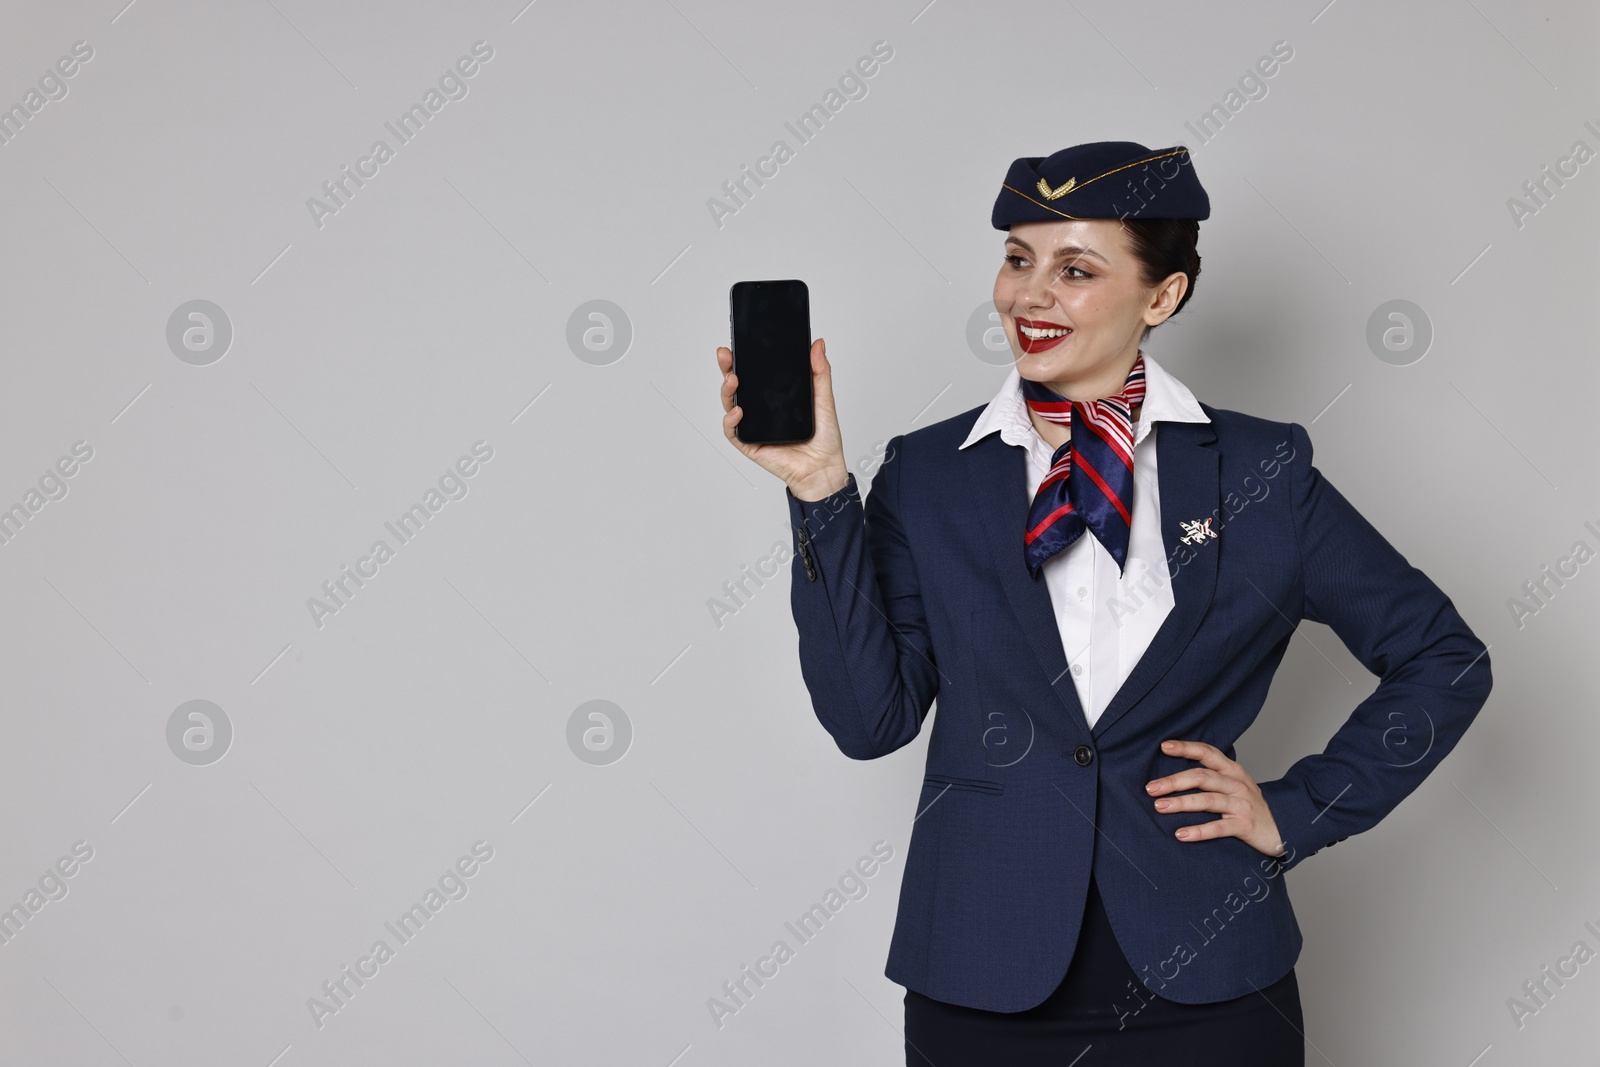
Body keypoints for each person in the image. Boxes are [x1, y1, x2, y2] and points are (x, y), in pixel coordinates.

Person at [713, 140, 1492, 1065]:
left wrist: (1298, 808)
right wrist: (819, 493)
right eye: (1017, 259)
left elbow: (1446, 656)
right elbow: (868, 719)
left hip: (1210, 975)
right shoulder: (927, 475)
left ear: (1161, 297)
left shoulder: (1260, 472)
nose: (1027, 295)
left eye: (1074, 268)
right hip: (980, 971)